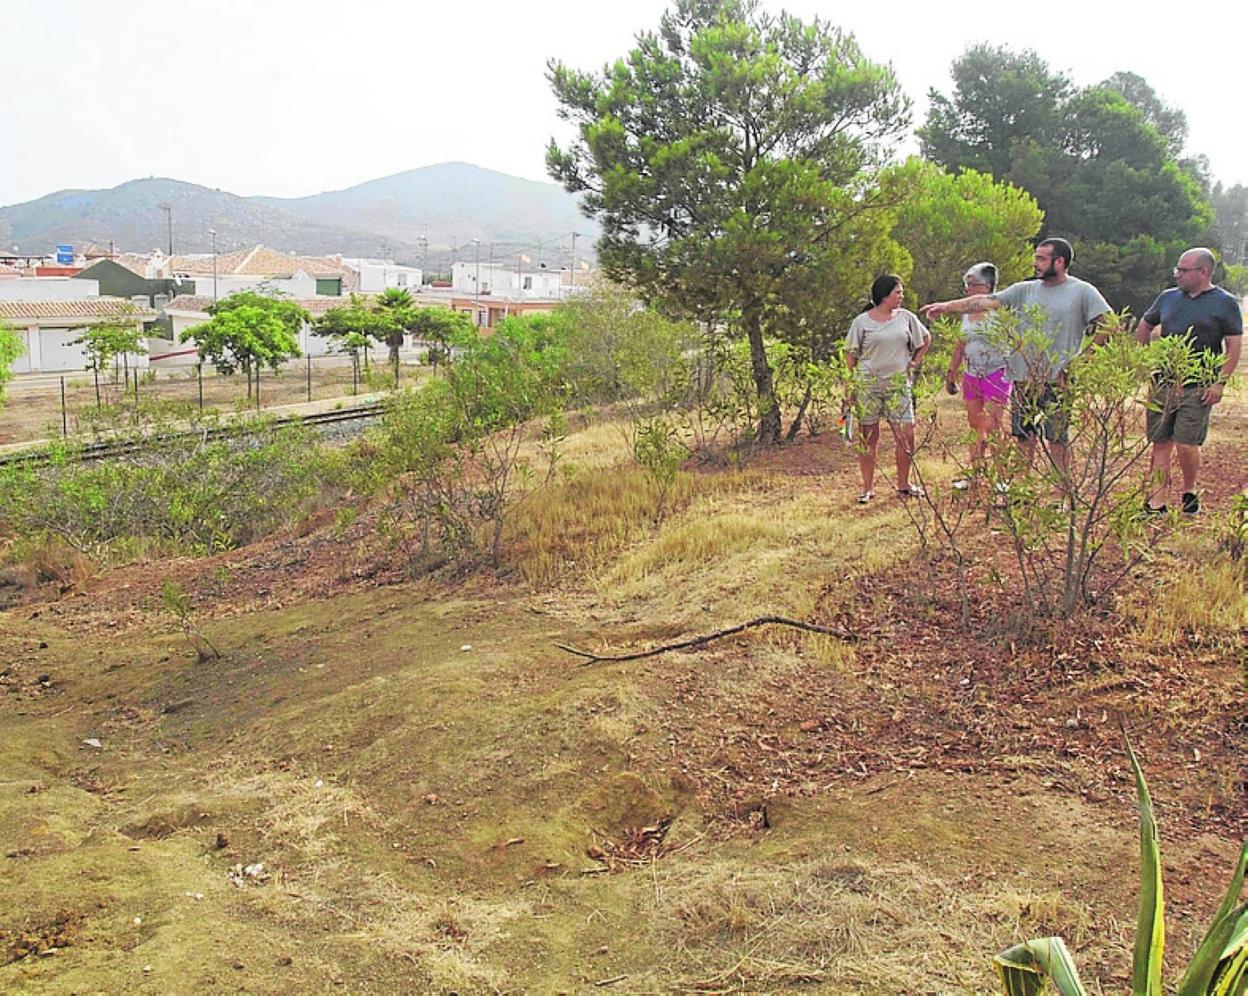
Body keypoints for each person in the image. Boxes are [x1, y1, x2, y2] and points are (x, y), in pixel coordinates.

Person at [922, 238, 1110, 479]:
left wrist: (1080, 363)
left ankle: (1060, 495)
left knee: (1057, 439)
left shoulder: (1083, 291)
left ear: (1060, 262)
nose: (1036, 263)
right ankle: (1022, 490)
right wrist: (947, 306)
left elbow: (1109, 325)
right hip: (1024, 378)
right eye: (1036, 257)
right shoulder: (1024, 290)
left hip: (1058, 381)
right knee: (1023, 436)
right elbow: (983, 301)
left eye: (1042, 258)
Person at [1136, 247, 1242, 515]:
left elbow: (1233, 346)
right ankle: (1157, 502)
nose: (1177, 274)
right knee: (1160, 442)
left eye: (1183, 270)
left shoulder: (1225, 303)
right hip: (1165, 383)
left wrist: (1220, 383)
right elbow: (1145, 326)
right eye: (1177, 269)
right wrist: (1146, 360)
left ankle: (1189, 490)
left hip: (1198, 386)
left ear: (1203, 272)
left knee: (1185, 443)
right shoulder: (1168, 298)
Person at [845, 274, 931, 503]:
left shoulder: (907, 318)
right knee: (869, 437)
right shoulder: (861, 322)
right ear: (884, 295)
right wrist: (849, 389)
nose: (902, 296)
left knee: (906, 434)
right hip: (868, 385)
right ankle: (867, 488)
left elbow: (926, 338)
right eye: (898, 292)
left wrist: (914, 361)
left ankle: (904, 483)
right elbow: (851, 355)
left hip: (897, 385)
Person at [944, 262, 1010, 488]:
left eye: (971, 284)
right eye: (966, 284)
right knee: (975, 425)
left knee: (993, 425)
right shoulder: (967, 312)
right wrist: (951, 373)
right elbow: (960, 344)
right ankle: (975, 474)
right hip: (972, 374)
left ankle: (1002, 479)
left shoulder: (1001, 311)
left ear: (987, 286)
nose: (967, 289)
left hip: (996, 373)